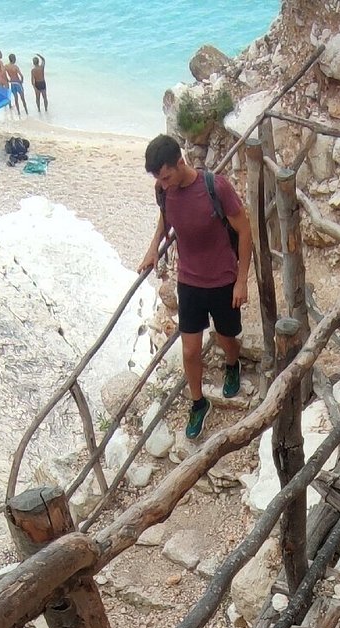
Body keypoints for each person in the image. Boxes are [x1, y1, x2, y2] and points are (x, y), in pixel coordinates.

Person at [137, 134, 252, 440]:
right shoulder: (164, 191)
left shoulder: (216, 187)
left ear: (180, 163)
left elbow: (244, 230)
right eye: (158, 179)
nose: (163, 184)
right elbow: (165, 219)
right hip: (188, 281)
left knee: (227, 337)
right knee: (189, 350)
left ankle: (232, 364)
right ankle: (198, 402)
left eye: (166, 176)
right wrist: (153, 248)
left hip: (222, 279)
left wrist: (241, 280)